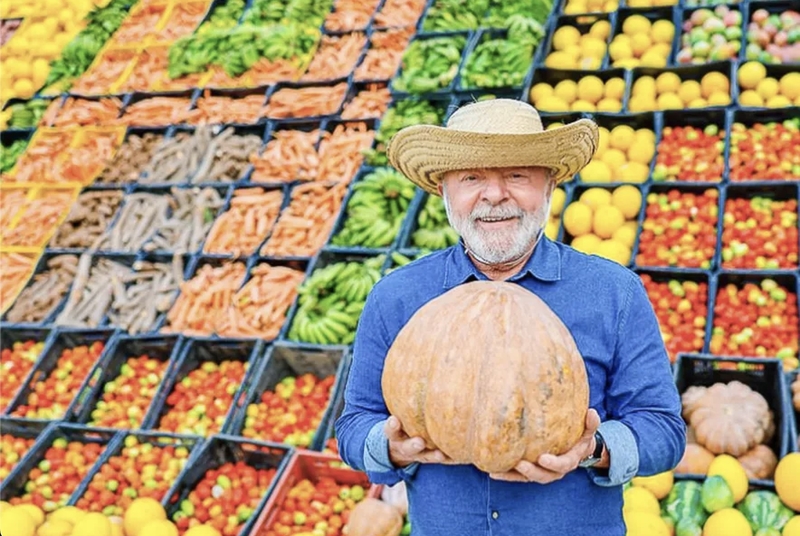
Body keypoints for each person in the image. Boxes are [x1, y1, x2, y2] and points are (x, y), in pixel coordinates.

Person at [334, 99, 686, 535]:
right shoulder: (396, 298)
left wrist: (593, 449)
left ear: (549, 185)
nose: (495, 194)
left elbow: (665, 432)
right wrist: (392, 448)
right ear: (445, 191)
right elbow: (353, 426)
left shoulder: (613, 293)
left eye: (517, 174)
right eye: (472, 177)